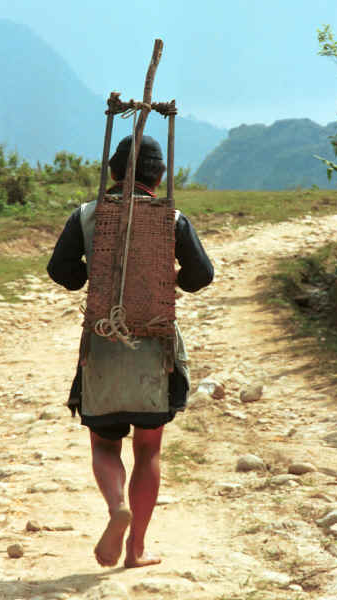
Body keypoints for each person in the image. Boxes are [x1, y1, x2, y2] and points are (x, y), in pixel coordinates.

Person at [47, 135, 213, 568]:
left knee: (104, 446)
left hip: (102, 351)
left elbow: (61, 271)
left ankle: (116, 506)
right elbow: (201, 275)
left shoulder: (87, 216)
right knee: (149, 450)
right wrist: (168, 278)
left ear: (115, 173)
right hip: (154, 354)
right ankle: (137, 548)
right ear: (158, 177)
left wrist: (92, 271)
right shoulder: (171, 218)